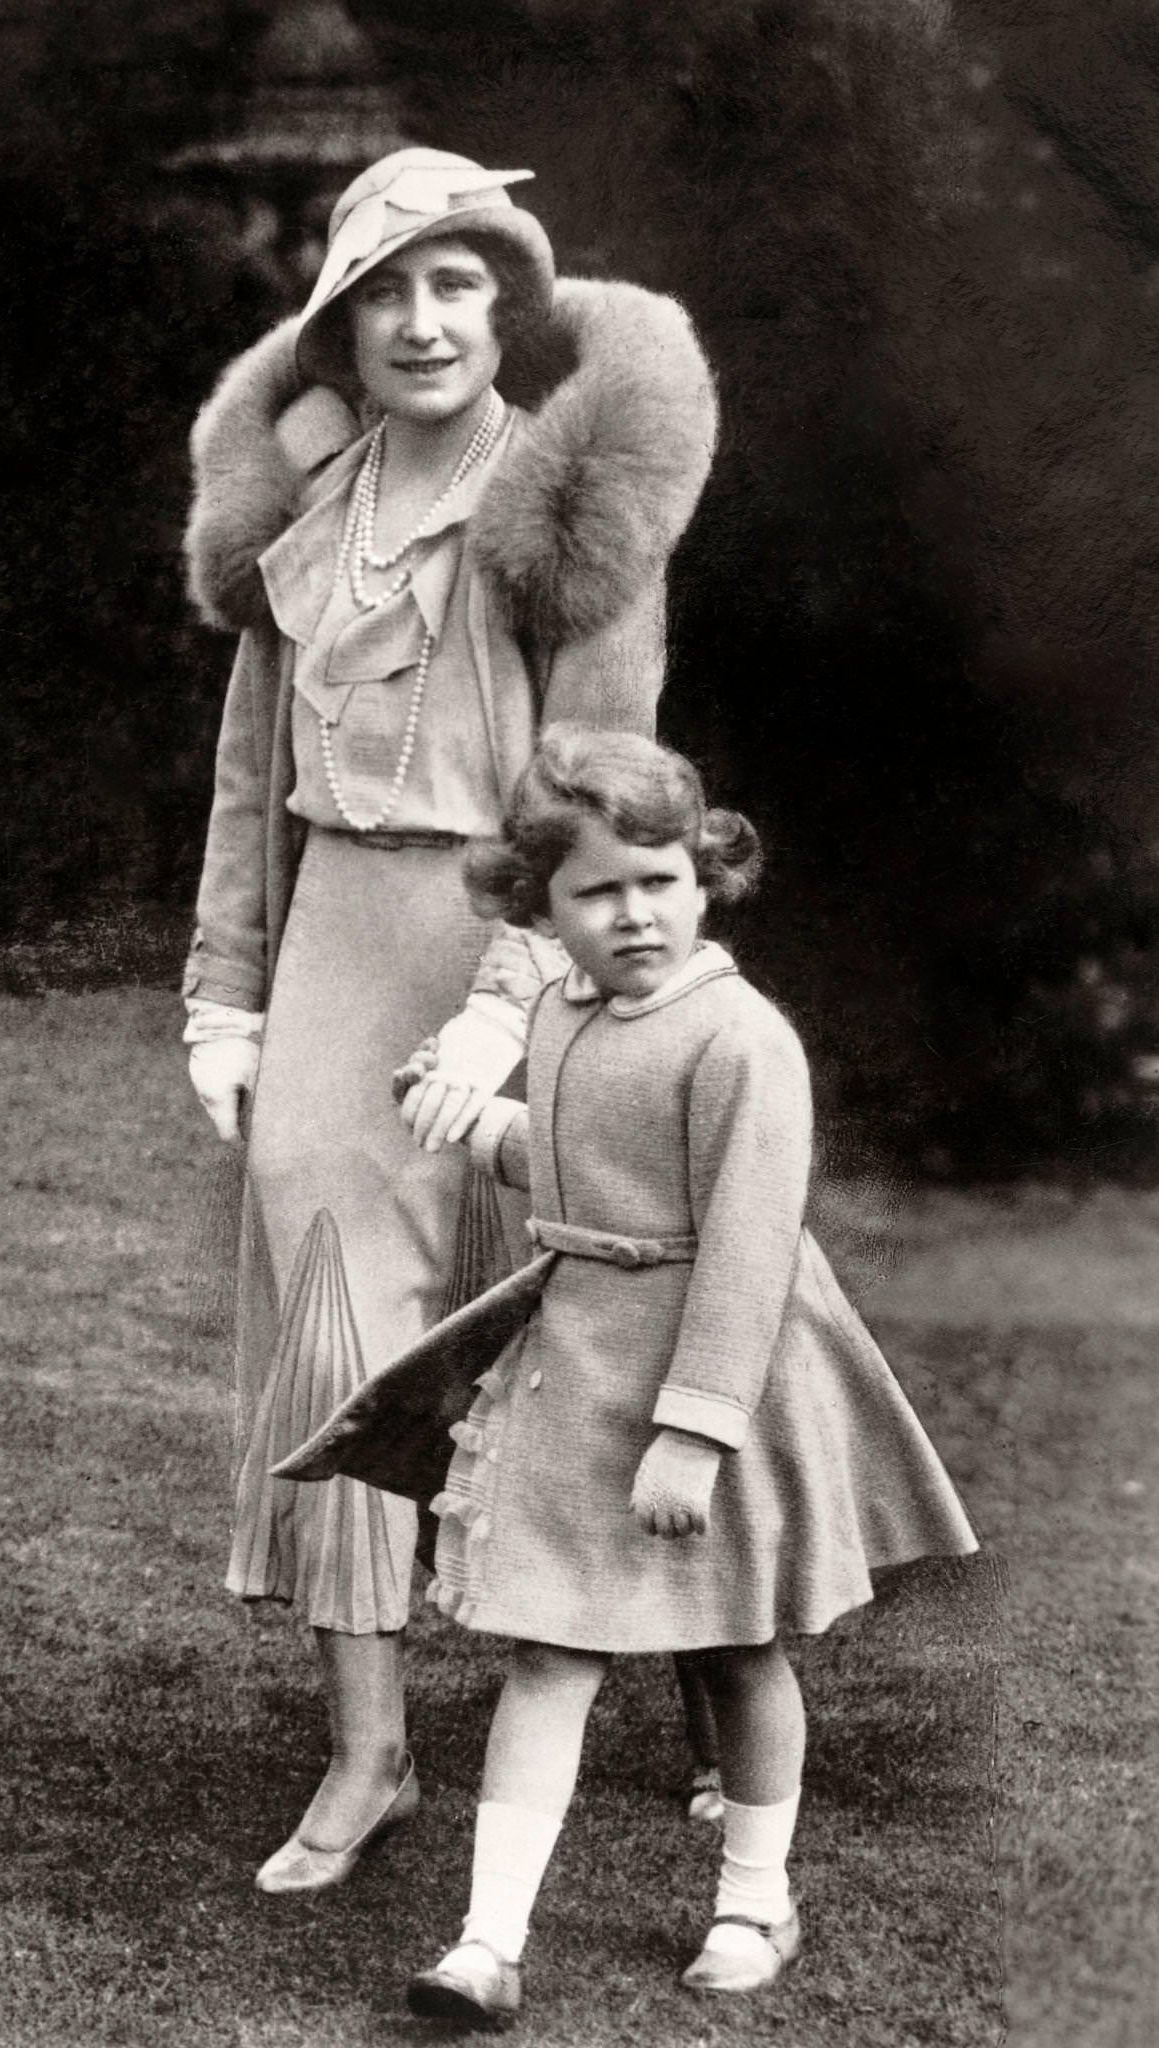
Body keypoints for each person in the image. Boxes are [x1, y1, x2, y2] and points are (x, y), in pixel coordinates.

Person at [180, 150, 718, 1893]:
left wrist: (511, 1008)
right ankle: (367, 1755)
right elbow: (250, 781)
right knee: (342, 1342)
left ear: (508, 310)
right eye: (385, 292)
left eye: (458, 286)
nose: (421, 322)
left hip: (553, 960)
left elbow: (603, 795)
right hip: (340, 951)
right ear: (337, 327)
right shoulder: (305, 520)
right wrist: (223, 990)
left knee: (608, 1321)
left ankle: (723, 1687)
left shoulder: (567, 523)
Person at [384, 725, 980, 2023]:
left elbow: (749, 1246)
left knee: (737, 1649)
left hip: (722, 1367)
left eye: (658, 879)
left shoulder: (740, 1041)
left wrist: (695, 1431)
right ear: (538, 909)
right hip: (580, 1356)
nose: (633, 914)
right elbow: (576, 1160)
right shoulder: (560, 1009)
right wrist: (472, 1119)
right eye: (595, 892)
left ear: (705, 874)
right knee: (549, 1649)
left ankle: (756, 1900)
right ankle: (486, 1944)